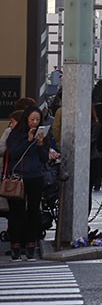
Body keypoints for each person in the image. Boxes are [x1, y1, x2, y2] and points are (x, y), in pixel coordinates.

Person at [4, 106, 60, 261]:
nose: (34, 123)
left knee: (34, 211)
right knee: (17, 212)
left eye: (37, 120)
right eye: (32, 120)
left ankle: (30, 243)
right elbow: (14, 153)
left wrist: (41, 144)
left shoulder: (41, 135)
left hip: (35, 176)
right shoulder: (16, 134)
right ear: (26, 120)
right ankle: (15, 244)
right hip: (18, 177)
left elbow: (43, 159)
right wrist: (28, 140)